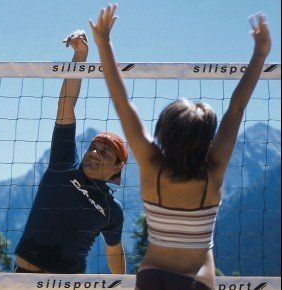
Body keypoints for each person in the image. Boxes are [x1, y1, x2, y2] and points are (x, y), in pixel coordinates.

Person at [89, 4, 272, 289]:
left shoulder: (152, 167)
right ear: (207, 141)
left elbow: (122, 102)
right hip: (196, 281)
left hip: (153, 278)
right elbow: (236, 109)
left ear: (163, 133)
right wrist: (260, 53)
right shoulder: (213, 171)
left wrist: (104, 43)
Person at [13, 29, 127, 274]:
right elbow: (67, 102)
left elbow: (114, 250)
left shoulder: (111, 209)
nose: (94, 153)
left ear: (117, 167)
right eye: (93, 147)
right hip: (22, 279)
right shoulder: (63, 163)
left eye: (104, 153)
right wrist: (81, 57)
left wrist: (124, 285)